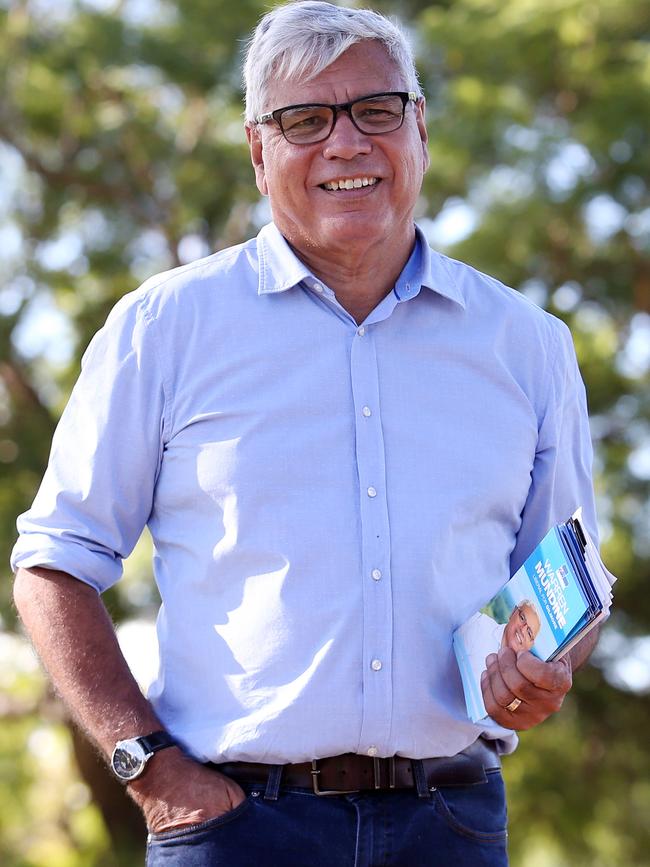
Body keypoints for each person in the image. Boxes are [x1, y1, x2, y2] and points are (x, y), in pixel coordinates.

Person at [10, 2, 605, 865]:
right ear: (259, 151)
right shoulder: (163, 328)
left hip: (455, 822)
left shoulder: (528, 344)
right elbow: (53, 564)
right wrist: (150, 770)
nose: (347, 143)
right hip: (233, 827)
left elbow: (566, 575)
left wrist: (546, 667)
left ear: (420, 128)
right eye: (304, 121)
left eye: (376, 109)